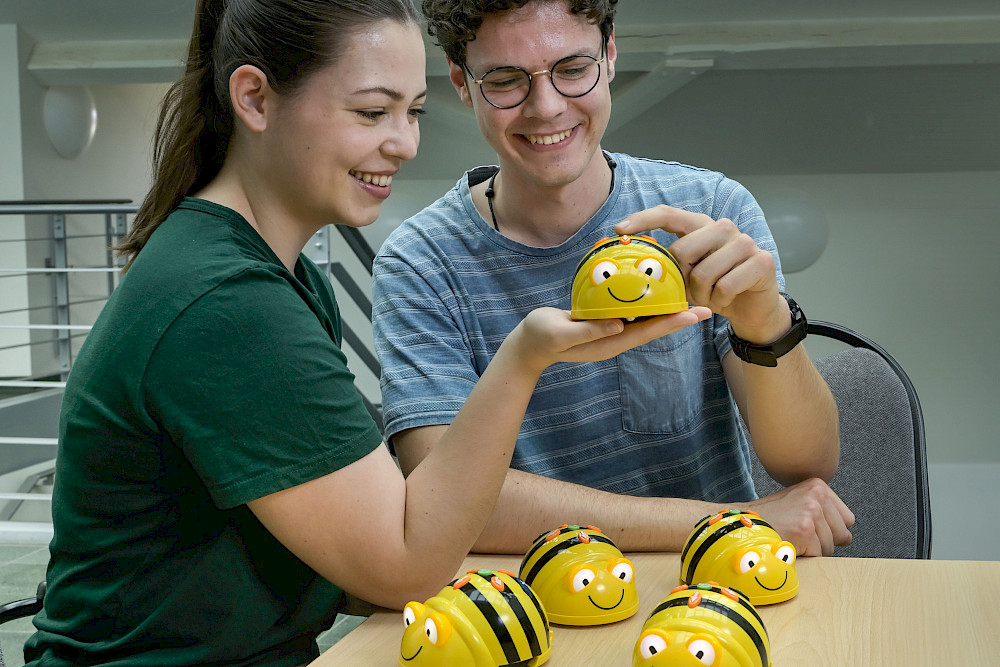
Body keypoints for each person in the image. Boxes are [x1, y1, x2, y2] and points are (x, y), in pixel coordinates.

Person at [22, 1, 706, 665]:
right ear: (255, 99)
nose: (405, 143)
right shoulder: (227, 303)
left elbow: (358, 543)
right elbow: (402, 563)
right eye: (373, 112)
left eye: (411, 112)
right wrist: (525, 357)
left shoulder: (280, 276)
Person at [372, 0, 855, 559]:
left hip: (718, 590)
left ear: (610, 54)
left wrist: (766, 321)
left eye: (573, 70)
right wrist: (730, 522)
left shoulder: (712, 209)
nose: (547, 107)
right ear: (462, 82)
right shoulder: (420, 262)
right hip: (533, 609)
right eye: (505, 81)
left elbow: (807, 463)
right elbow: (446, 509)